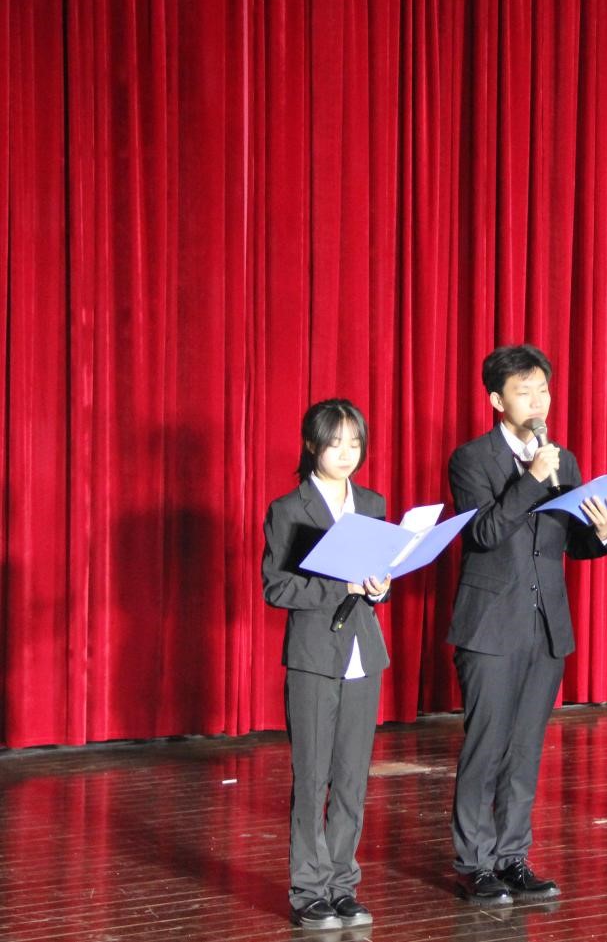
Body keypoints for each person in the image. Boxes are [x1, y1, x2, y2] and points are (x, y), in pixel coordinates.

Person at [447, 344, 607, 903]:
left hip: (546, 626)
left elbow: (574, 544)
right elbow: (484, 534)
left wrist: (603, 530)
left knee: (525, 749)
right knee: (486, 746)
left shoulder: (564, 461)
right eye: (525, 392)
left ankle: (513, 856)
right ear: (498, 401)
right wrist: (532, 478)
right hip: (490, 626)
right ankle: (475, 863)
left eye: (543, 390)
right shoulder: (471, 459)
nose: (539, 401)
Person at [262, 399, 391, 931]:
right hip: (314, 656)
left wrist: (378, 586)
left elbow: (377, 579)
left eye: (354, 443)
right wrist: (342, 584)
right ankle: (308, 891)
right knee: (313, 778)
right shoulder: (289, 508)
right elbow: (277, 588)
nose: (346, 453)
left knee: (352, 780)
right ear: (312, 445)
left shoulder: (372, 503)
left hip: (364, 654)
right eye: (335, 442)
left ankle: (342, 885)